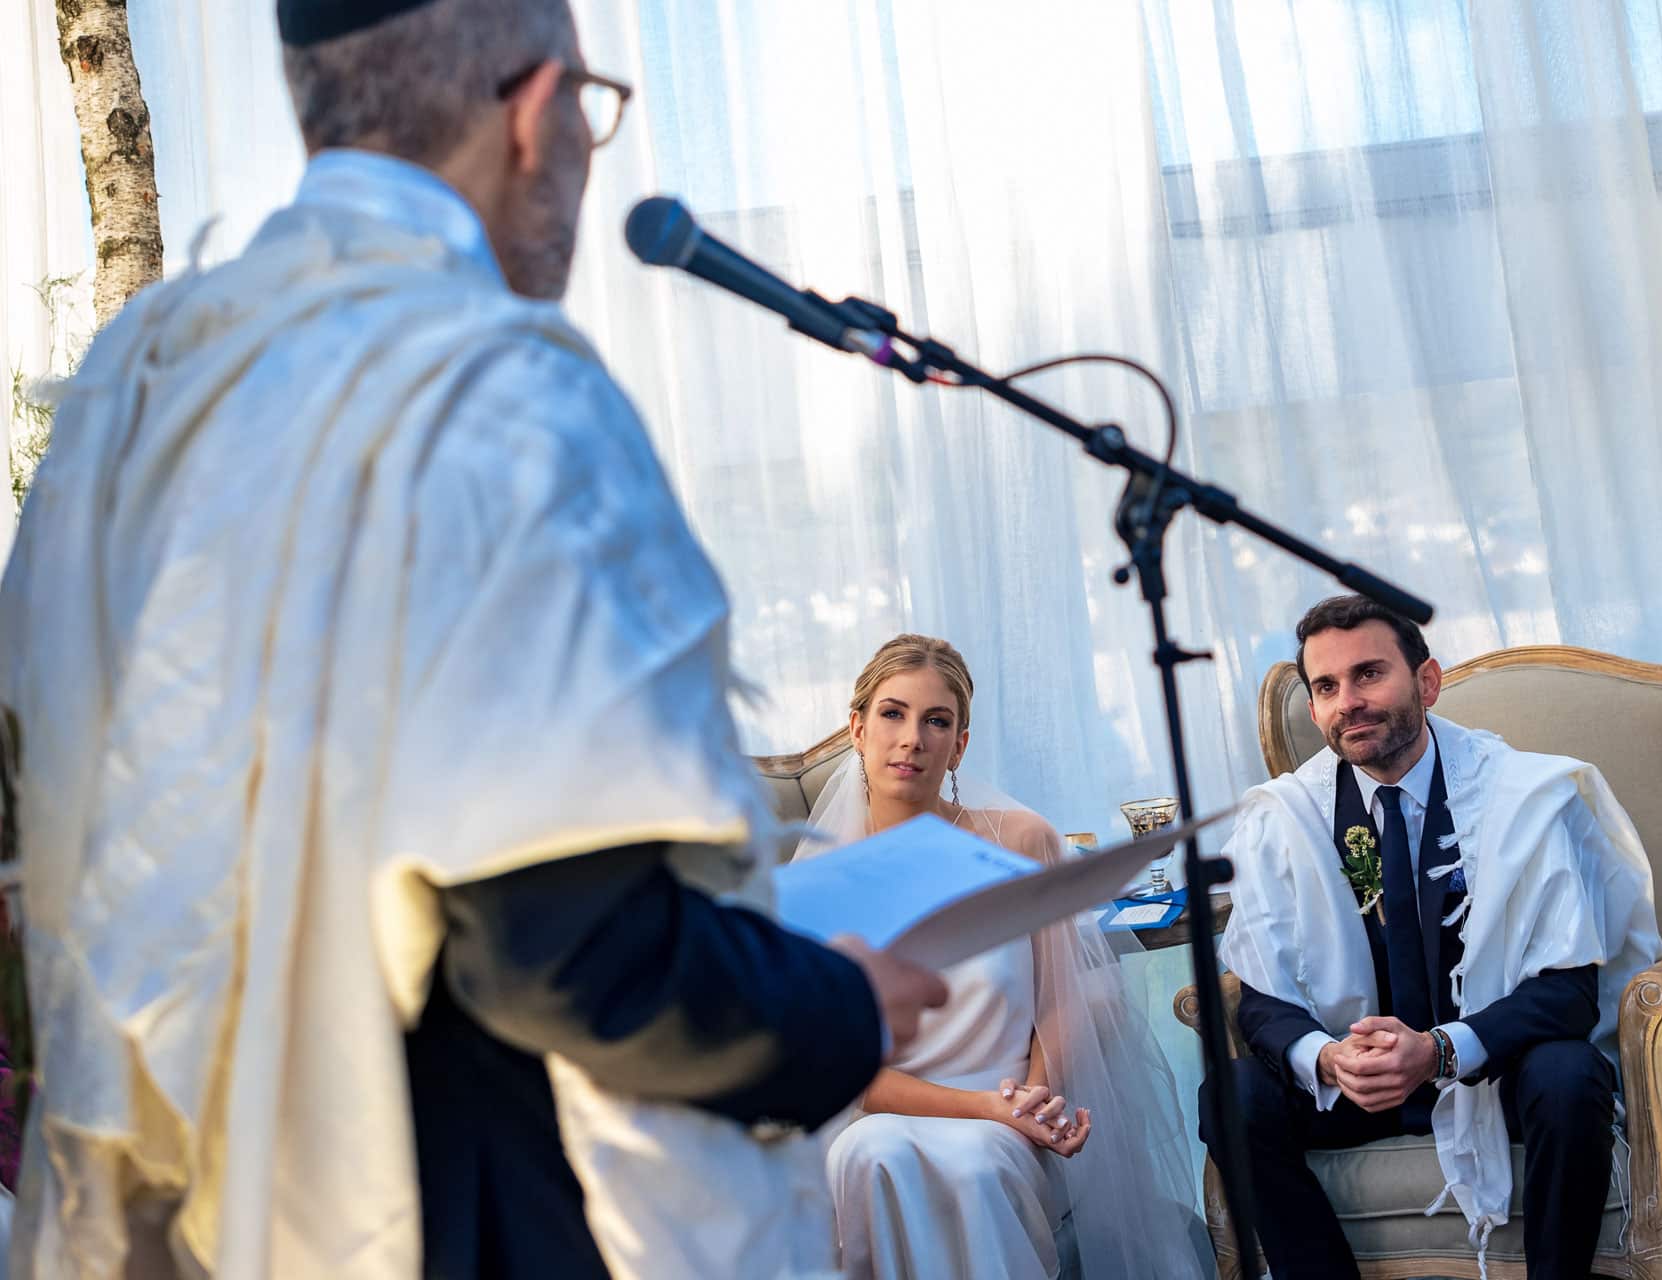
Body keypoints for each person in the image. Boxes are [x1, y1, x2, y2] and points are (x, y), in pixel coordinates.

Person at [0, 1, 950, 1276]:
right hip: (466, 1195)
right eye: (594, 109)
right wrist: (837, 1003)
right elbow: (568, 952)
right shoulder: (496, 385)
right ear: (534, 108)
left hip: (214, 1199)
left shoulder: (146, 374)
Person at [1206, 596, 1662, 1280]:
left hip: (1492, 1076)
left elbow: (1567, 994)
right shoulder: (1286, 818)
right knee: (1230, 1094)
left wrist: (1440, 1052)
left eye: (1369, 675)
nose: (1348, 702)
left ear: (1426, 682)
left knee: (1569, 1074)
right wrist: (1330, 1060)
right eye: (1326, 687)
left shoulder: (1521, 798)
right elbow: (1264, 998)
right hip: (1358, 1091)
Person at [797, 634, 1208, 1280]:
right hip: (895, 1111)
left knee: (979, 1162)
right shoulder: (826, 884)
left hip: (1014, 1113)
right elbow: (856, 1079)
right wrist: (984, 1108)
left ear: (960, 744)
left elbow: (1065, 996)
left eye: (937, 721)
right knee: (869, 1153)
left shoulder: (1019, 842)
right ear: (858, 727)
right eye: (893, 714)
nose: (913, 739)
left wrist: (1029, 1103)